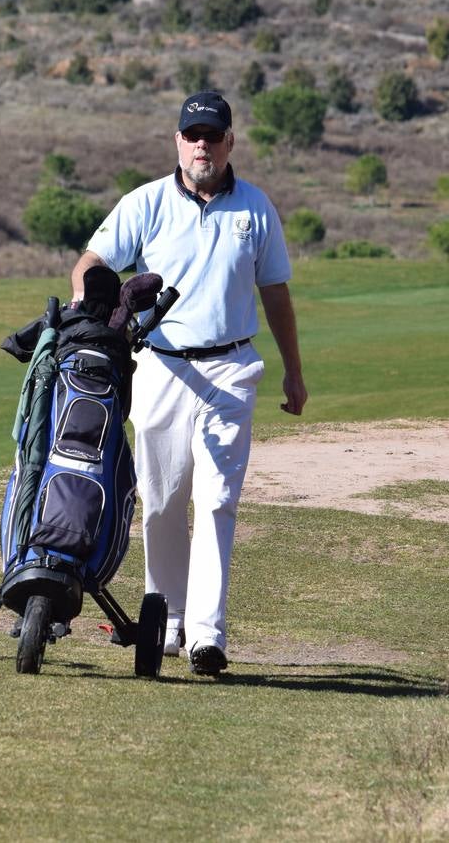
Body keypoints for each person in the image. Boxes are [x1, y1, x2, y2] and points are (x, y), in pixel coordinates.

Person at [70, 90, 307, 676]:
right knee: (161, 501)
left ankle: (206, 634)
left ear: (230, 142)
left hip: (231, 366)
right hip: (160, 365)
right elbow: (92, 260)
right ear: (178, 141)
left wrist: (294, 372)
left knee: (218, 499)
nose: (203, 145)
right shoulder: (146, 203)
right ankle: (168, 621)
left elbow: (275, 293)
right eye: (192, 135)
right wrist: (88, 299)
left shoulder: (256, 209)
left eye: (213, 135)